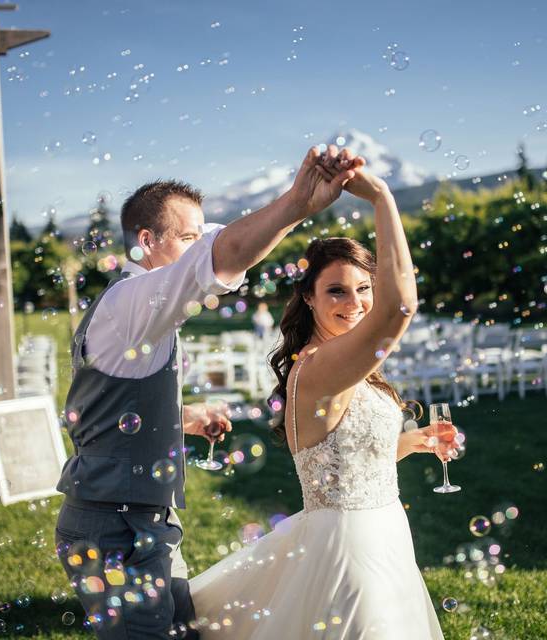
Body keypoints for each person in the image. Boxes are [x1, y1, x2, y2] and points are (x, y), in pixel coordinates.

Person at [54, 145, 363, 639]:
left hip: (138, 522)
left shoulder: (139, 310)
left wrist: (182, 417)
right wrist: (299, 203)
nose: (200, 247)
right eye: (190, 238)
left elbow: (108, 407)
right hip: (116, 530)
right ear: (148, 240)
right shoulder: (132, 301)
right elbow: (224, 257)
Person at [187, 155, 456, 638]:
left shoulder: (344, 363)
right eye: (337, 291)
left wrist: (412, 443)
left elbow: (343, 463)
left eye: (364, 288)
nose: (355, 304)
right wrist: (382, 198)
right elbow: (401, 306)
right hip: (350, 552)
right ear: (308, 297)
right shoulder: (317, 368)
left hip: (384, 534)